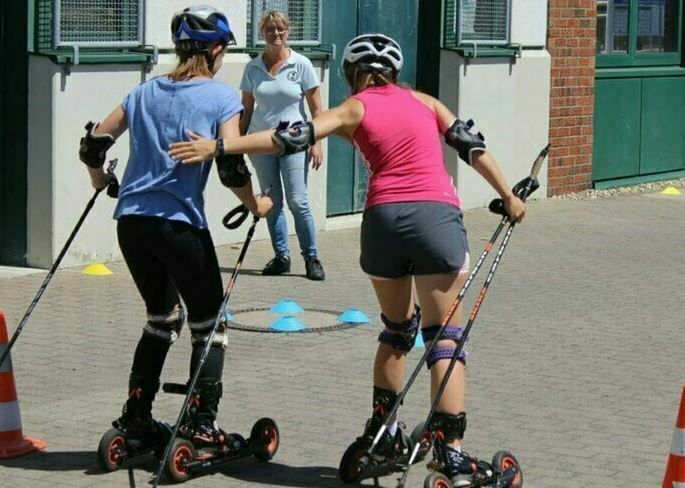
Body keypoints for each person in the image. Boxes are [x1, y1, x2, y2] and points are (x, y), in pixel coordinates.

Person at [168, 33, 526, 486]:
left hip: (382, 222)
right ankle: (450, 456)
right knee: (445, 338)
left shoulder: (352, 108)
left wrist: (220, 147)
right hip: (435, 216)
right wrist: (509, 197)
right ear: (395, 73)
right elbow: (471, 147)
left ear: (353, 74)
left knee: (399, 330)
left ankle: (383, 433)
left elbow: (288, 138)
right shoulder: (427, 103)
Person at [80, 5, 272, 452]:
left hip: (131, 223)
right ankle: (201, 427)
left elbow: (93, 144)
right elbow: (229, 164)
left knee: (162, 318)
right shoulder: (222, 98)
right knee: (211, 325)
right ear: (217, 50)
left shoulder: (143, 92)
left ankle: (136, 418)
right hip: (178, 225)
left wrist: (102, 179)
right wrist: (256, 204)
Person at [239, 10, 325, 280]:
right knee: (271, 202)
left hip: (294, 141)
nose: (275, 34)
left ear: (288, 32)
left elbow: (317, 110)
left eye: (280, 29)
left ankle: (311, 258)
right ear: (261, 33)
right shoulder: (252, 67)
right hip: (261, 142)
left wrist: (317, 143)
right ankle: (281, 256)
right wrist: (237, 146)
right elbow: (246, 108)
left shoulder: (301, 64)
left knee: (298, 201)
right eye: (269, 29)